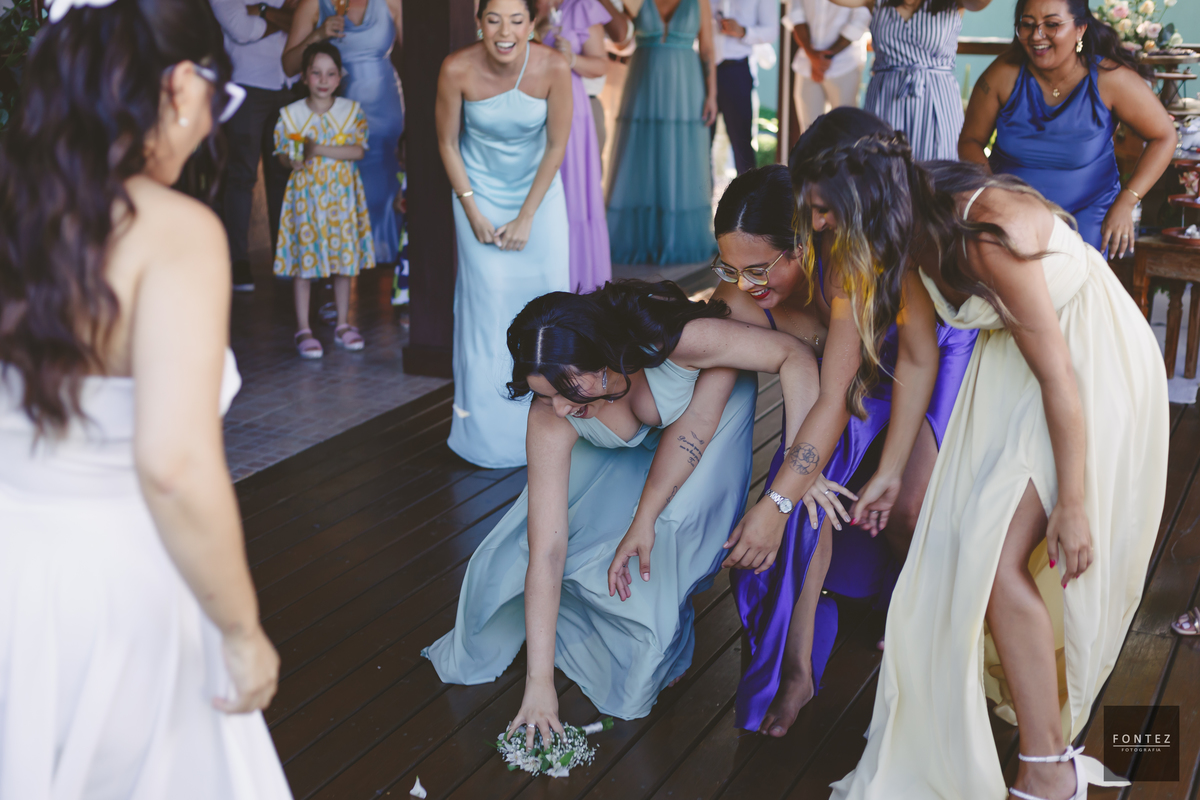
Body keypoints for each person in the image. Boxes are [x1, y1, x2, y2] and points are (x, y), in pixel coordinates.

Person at [787, 110, 1169, 800]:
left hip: (1090, 364)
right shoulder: (903, 233)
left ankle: (1047, 769)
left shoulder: (984, 234)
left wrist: (1072, 503)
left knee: (994, 556)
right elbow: (918, 356)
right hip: (1010, 369)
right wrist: (892, 470)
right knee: (959, 545)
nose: (816, 224)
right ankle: (1043, 752)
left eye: (822, 208)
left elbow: (1060, 375)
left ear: (863, 193)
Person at [0, 0, 292, 796]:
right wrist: (241, 630)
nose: (209, 123)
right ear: (179, 84)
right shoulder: (171, 230)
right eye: (217, 97)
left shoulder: (19, 215)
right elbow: (173, 464)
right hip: (108, 588)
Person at [425, 279, 823, 737]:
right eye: (544, 393)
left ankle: (673, 616)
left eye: (567, 390)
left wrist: (799, 469)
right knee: (542, 549)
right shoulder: (552, 414)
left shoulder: (678, 341)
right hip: (632, 446)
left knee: (675, 530)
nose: (558, 408)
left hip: (710, 414)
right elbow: (548, 552)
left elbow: (794, 355)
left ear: (604, 360)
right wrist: (539, 686)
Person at [709, 157, 977, 737]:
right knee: (805, 499)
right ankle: (799, 669)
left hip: (919, 360)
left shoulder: (847, 269)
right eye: (730, 269)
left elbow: (834, 397)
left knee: (910, 507)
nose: (747, 286)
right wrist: (792, 488)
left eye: (759, 269)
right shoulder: (740, 296)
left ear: (803, 246)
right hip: (839, 390)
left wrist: (777, 500)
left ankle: (916, 616)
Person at [436, 0, 572, 469]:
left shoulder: (554, 66)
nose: (504, 31)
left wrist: (528, 215)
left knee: (547, 306)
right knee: (487, 311)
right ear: (479, 22)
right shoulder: (456, 68)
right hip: (478, 196)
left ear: (532, 23)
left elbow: (557, 144)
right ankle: (488, 438)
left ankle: (554, 429)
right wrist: (470, 208)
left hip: (539, 197)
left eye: (516, 20)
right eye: (493, 19)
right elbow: (447, 142)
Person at [959, 0, 1175, 255]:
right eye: (1027, 25)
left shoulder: (1111, 80)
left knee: (1073, 270)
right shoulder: (1003, 74)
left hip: (1086, 214)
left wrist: (1127, 201)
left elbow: (1164, 136)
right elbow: (970, 141)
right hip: (1010, 210)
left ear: (1080, 29)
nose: (1036, 36)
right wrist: (992, 194)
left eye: (1051, 24)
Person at [282, 0, 404, 266]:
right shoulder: (313, 5)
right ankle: (340, 263)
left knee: (389, 187)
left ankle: (390, 266)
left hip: (387, 111)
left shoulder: (392, 2)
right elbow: (289, 66)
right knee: (340, 188)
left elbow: (419, 56)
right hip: (340, 119)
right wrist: (318, 35)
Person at [273, 42, 374, 358]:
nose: (323, 80)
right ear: (304, 76)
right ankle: (303, 328)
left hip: (341, 198)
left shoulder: (351, 112)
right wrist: (292, 160)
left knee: (344, 261)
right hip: (306, 198)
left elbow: (357, 150)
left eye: (330, 73)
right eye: (316, 73)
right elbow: (282, 155)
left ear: (339, 77)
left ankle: (343, 323)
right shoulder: (291, 116)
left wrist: (316, 149)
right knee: (304, 262)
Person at [606, 0, 719, 265]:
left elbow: (707, 48)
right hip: (644, 82)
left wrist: (712, 95)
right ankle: (640, 239)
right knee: (640, 157)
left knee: (683, 156)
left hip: (686, 86)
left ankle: (678, 238)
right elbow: (621, 42)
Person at [829, 0, 992, 161]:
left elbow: (979, 3)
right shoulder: (878, 1)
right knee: (882, 167)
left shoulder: (952, 2)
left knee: (937, 170)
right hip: (885, 99)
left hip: (936, 101)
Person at [209, 0, 295, 292]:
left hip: (288, 81)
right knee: (241, 175)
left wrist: (261, 10)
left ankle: (286, 257)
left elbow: (302, 19)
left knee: (284, 173)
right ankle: (239, 261)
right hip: (247, 83)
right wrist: (282, 17)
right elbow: (241, 30)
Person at [541, 0, 614, 293]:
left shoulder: (583, 6)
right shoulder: (525, 6)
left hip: (570, 107)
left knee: (572, 193)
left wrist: (572, 59)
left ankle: (577, 281)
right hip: (530, 105)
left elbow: (600, 65)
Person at [709, 0, 777, 176]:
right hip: (702, 69)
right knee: (700, 144)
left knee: (742, 145)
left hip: (737, 70)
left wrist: (744, 31)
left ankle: (748, 193)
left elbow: (771, 31)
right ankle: (701, 193)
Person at [787, 0, 870, 132]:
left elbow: (860, 20)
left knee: (845, 129)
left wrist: (824, 59)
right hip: (807, 63)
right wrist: (812, 55)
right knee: (808, 131)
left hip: (844, 64)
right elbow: (796, 15)